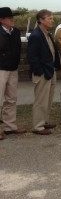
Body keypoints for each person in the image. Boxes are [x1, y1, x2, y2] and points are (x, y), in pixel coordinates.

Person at [27, 9, 60, 135]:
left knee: (48, 99)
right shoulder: (36, 35)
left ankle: (44, 121)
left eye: (52, 18)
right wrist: (40, 72)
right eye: (49, 18)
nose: (52, 20)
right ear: (41, 20)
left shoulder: (47, 33)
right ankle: (38, 126)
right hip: (42, 73)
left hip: (50, 71)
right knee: (41, 100)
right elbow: (32, 57)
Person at [0, 7, 26, 140]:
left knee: (11, 99)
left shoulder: (15, 32)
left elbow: (17, 48)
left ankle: (10, 126)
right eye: (10, 18)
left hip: (12, 69)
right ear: (2, 20)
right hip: (1, 69)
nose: (13, 20)